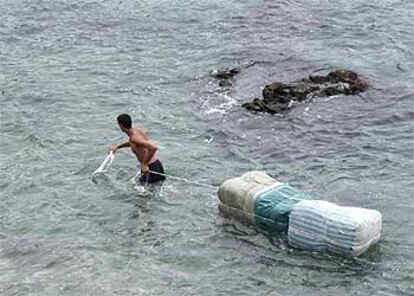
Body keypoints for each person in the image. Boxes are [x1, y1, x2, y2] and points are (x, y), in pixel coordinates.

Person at [109, 114, 165, 184]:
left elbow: (153, 148)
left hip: (150, 168)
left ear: (121, 125)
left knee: (145, 193)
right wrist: (117, 147)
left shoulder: (134, 138)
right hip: (155, 165)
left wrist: (144, 164)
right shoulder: (135, 132)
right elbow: (133, 143)